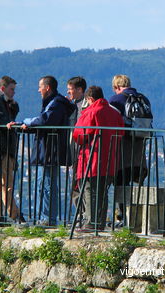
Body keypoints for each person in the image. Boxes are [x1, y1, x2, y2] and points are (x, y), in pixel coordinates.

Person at [21, 76, 75, 226]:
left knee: (46, 185)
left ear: (47, 88)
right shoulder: (54, 102)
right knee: (44, 184)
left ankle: (47, 219)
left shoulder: (56, 103)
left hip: (50, 150)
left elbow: (45, 120)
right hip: (48, 150)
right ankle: (44, 217)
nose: (38, 90)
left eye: (40, 87)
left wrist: (26, 122)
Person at [73, 86, 124, 231]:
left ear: (90, 99)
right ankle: (100, 223)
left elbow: (79, 134)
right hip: (110, 159)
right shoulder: (114, 113)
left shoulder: (91, 112)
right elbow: (121, 132)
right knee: (103, 192)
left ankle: (90, 222)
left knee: (89, 190)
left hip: (92, 158)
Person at [109, 74, 151, 225]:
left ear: (117, 87)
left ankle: (122, 217)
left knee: (121, 182)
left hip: (122, 145)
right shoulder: (143, 99)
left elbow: (111, 121)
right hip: (139, 146)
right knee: (136, 184)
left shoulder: (116, 100)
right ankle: (136, 217)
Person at [0, 76, 26, 225]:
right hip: (1, 146)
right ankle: (14, 214)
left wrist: (12, 105)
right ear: (3, 89)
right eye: (11, 89)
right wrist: (7, 123)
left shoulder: (3, 100)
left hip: (2, 147)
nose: (13, 92)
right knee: (6, 182)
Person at [66, 77, 88, 216]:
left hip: (83, 151)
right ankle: (80, 215)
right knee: (75, 184)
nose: (69, 93)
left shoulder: (85, 106)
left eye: (70, 90)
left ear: (79, 90)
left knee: (82, 184)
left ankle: (85, 215)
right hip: (74, 150)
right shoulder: (72, 105)